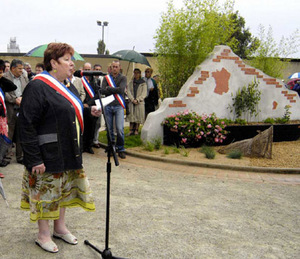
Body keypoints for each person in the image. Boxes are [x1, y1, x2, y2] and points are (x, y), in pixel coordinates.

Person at [19, 43, 101, 253]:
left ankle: (60, 228)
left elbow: (67, 109)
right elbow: (26, 124)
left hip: (68, 150)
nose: (72, 64)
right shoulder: (37, 86)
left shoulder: (68, 86)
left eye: (71, 59)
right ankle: (43, 234)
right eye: (66, 59)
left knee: (63, 192)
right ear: (53, 63)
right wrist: (34, 158)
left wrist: (87, 109)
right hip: (46, 155)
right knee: (46, 195)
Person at [4, 59, 28, 164]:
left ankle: (20, 156)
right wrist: (14, 100)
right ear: (13, 68)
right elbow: (4, 93)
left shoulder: (24, 77)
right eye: (19, 68)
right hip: (9, 108)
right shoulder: (4, 77)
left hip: (22, 108)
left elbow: (27, 90)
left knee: (21, 132)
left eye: (22, 68)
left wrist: (24, 98)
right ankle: (6, 156)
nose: (21, 71)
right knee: (9, 132)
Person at [101, 60, 127, 159]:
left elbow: (121, 90)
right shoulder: (106, 78)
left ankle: (121, 148)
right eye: (113, 67)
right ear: (111, 68)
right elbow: (103, 90)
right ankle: (111, 148)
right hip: (108, 105)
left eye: (116, 66)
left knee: (120, 129)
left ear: (119, 67)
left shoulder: (123, 78)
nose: (114, 68)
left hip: (118, 105)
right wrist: (112, 89)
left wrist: (109, 88)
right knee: (109, 129)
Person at [0, 59, 17, 168]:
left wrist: (2, 78)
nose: (0, 74)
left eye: (1, 71)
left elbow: (12, 87)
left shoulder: (2, 83)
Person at [126, 68, 147, 135]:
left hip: (139, 102)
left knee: (138, 116)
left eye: (137, 73)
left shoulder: (143, 83)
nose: (136, 74)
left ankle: (136, 130)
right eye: (135, 73)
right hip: (132, 101)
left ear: (140, 74)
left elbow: (144, 93)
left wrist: (138, 99)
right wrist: (132, 99)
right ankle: (130, 130)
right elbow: (128, 91)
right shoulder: (131, 82)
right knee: (131, 116)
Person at [92, 64, 104, 148]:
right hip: (91, 104)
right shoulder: (90, 80)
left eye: (99, 69)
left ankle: (95, 140)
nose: (97, 71)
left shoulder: (103, 80)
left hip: (99, 104)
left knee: (98, 123)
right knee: (91, 124)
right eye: (96, 69)